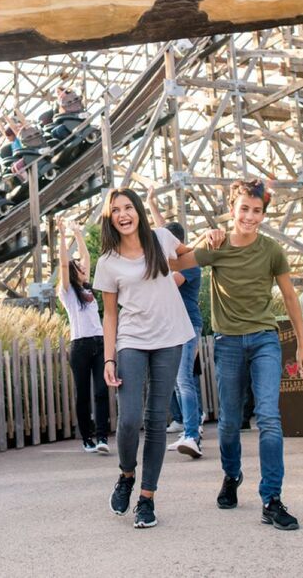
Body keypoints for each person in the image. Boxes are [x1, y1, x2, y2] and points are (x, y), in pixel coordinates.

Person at [172, 178, 303, 532]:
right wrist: (204, 237)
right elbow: (174, 260)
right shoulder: (216, 246)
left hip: (265, 339)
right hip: (228, 342)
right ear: (232, 209)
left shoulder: (271, 250)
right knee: (230, 423)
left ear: (264, 214)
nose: (250, 217)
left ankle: (271, 499)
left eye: (257, 211)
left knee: (269, 417)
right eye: (244, 209)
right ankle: (231, 475)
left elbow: (291, 298)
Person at [96, 187, 194, 529]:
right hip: (131, 340)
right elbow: (109, 315)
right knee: (128, 418)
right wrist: (109, 360)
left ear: (138, 209)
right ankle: (126, 475)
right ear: (110, 219)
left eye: (128, 207)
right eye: (115, 210)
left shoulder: (161, 239)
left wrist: (213, 241)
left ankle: (147, 498)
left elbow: (193, 258)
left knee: (156, 421)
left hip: (170, 338)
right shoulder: (108, 261)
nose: (123, 214)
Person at [146, 187, 204, 459]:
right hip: (173, 326)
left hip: (189, 325)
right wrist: (150, 203)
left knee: (183, 379)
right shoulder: (174, 260)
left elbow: (171, 281)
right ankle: (187, 426)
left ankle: (193, 432)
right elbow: (161, 234)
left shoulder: (188, 263)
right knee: (177, 379)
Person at [56, 217, 110, 456]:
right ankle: (87, 437)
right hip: (79, 345)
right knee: (83, 394)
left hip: (99, 342)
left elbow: (86, 259)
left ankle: (101, 436)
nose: (81, 267)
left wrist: (77, 233)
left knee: (101, 390)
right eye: (77, 267)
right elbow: (65, 265)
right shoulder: (68, 292)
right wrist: (61, 234)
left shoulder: (88, 288)